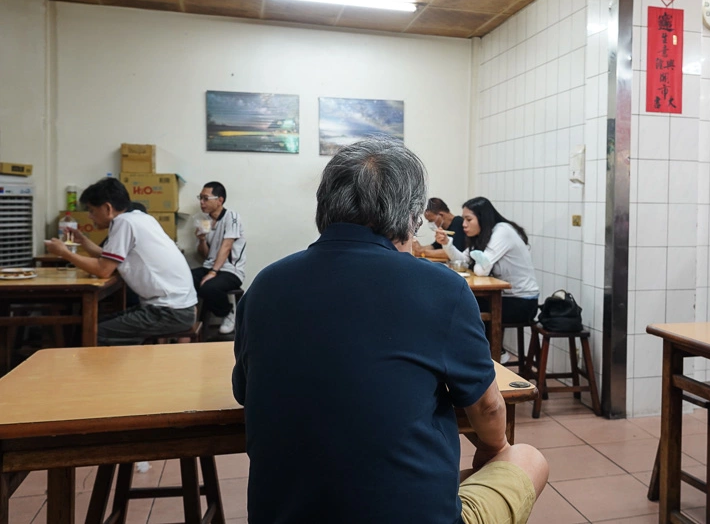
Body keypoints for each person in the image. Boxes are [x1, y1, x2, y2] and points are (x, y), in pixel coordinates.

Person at [232, 138, 548, 523]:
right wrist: (494, 448)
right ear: (412, 217)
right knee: (527, 458)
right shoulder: (441, 289)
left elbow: (245, 392)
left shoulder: (265, 285)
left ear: (325, 206)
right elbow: (487, 406)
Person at [45, 178, 197, 345]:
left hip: (169, 312)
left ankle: (118, 369)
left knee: (94, 333)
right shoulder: (139, 218)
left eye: (92, 210)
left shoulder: (123, 223)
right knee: (96, 324)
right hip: (178, 308)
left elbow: (103, 270)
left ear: (108, 208)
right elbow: (109, 258)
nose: (90, 216)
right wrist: (83, 241)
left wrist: (65, 253)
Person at [436, 197, 540, 327]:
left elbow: (481, 270)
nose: (464, 224)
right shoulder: (482, 236)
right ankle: (479, 347)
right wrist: (446, 243)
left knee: (461, 307)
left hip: (522, 302)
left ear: (482, 218)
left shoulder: (502, 231)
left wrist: (477, 263)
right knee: (457, 303)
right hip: (505, 297)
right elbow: (462, 260)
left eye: (469, 219)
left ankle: (482, 347)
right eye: (463, 219)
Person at [191, 182, 246, 335]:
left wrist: (213, 272)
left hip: (231, 270)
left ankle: (228, 312)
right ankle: (190, 320)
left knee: (209, 287)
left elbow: (227, 245)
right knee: (185, 279)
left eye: (205, 198)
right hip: (210, 266)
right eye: (200, 198)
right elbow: (205, 254)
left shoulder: (232, 217)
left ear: (220, 200)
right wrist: (201, 240)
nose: (202, 202)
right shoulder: (206, 221)